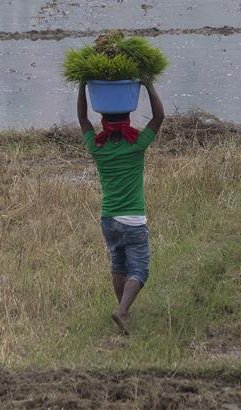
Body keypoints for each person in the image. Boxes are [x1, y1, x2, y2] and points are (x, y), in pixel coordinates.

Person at [77, 80, 164, 335]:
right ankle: (123, 310)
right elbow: (159, 116)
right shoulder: (136, 146)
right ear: (127, 121)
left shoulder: (98, 148)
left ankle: (123, 313)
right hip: (133, 220)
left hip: (108, 219)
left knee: (118, 263)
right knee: (139, 269)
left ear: (103, 123)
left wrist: (82, 87)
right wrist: (149, 85)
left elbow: (82, 118)